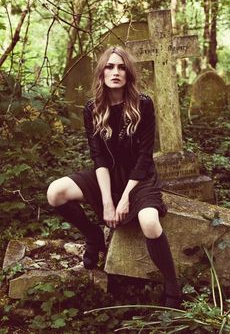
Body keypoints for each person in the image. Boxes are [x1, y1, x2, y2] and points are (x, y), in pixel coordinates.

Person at [47, 46, 181, 308]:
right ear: (102, 72)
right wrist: (108, 201)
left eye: (121, 67)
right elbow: (99, 158)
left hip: (139, 178)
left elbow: (145, 156)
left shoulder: (143, 104)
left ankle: (172, 285)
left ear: (128, 73)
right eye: (110, 66)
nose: (115, 72)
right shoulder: (93, 108)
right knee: (56, 192)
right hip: (108, 176)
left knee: (150, 222)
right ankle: (93, 237)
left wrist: (126, 199)